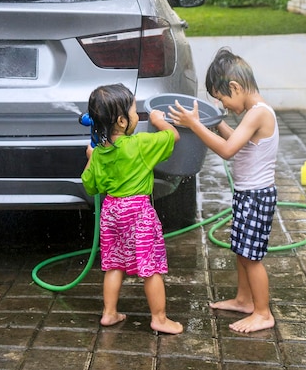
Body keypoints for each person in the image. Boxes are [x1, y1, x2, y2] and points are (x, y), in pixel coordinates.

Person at [168, 48, 279, 333]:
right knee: (242, 251)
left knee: (252, 258)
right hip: (247, 195)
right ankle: (244, 300)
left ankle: (263, 313)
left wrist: (194, 125)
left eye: (223, 100)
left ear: (235, 87)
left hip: (256, 196)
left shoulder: (258, 114)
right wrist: (214, 122)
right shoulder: (253, 115)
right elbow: (237, 142)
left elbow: (228, 151)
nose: (226, 107)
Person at [81, 83, 183, 335]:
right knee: (151, 267)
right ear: (122, 121)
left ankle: (109, 313)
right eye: (135, 111)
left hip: (111, 212)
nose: (139, 116)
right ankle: (159, 318)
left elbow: (90, 186)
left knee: (114, 264)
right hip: (138, 212)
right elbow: (173, 137)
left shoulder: (100, 152)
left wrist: (91, 158)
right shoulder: (139, 145)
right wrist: (161, 121)